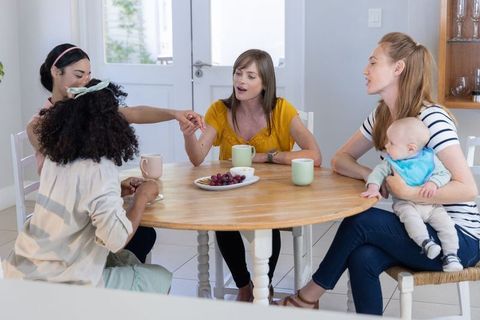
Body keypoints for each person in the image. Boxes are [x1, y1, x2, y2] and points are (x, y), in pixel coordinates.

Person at [274, 32, 480, 315]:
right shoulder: (382, 115)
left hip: (456, 237)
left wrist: (408, 193)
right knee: (362, 256)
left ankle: (308, 297)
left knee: (361, 220)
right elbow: (340, 159)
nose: (365, 70)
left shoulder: (432, 118)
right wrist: (372, 174)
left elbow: (468, 188)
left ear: (398, 69)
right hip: (416, 225)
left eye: (373, 62)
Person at [27, 43, 204, 263]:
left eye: (89, 75)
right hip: (67, 221)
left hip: (86, 206)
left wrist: (175, 113)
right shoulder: (41, 126)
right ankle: (113, 277)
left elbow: (133, 113)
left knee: (144, 233)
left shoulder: (90, 112)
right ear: (56, 72)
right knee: (135, 234)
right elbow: (71, 173)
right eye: (79, 74)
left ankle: (118, 274)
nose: (85, 81)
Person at [3, 79, 172, 294]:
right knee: (161, 277)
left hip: (21, 273)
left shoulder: (56, 157)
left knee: (127, 260)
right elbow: (116, 240)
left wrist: (116, 190)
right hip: (62, 285)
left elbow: (75, 197)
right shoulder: (100, 169)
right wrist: (142, 197)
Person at [180, 49, 322, 302]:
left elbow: (315, 155)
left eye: (250, 75)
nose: (240, 81)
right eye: (238, 73)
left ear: (265, 82)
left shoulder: (281, 110)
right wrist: (189, 134)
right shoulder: (220, 110)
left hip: (272, 196)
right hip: (230, 194)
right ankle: (245, 286)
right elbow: (197, 157)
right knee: (223, 224)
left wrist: (266, 157)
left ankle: (263, 285)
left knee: (268, 223)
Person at [362, 117, 462, 272]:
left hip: (431, 205)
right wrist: (373, 188)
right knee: (411, 219)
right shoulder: (390, 162)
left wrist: (433, 183)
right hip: (406, 203)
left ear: (411, 148)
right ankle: (426, 243)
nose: (386, 146)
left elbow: (444, 173)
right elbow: (377, 173)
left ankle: (451, 255)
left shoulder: (430, 158)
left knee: (447, 226)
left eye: (391, 143)